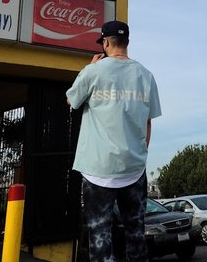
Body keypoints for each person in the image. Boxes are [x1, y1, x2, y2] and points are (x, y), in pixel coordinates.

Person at [66, 20, 161, 261]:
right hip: (134, 167)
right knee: (136, 235)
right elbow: (148, 122)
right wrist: (139, 155)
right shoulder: (146, 76)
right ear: (127, 42)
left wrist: (87, 69)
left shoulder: (94, 71)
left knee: (100, 237)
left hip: (98, 169)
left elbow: (71, 101)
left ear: (105, 42)